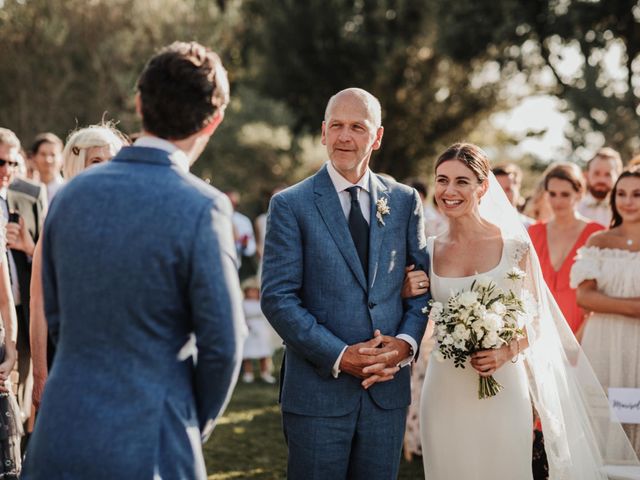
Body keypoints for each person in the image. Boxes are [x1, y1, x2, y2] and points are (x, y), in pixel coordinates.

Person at [22, 41, 245, 479]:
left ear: (139, 103)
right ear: (214, 121)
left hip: (60, 434)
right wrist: (186, 423)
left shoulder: (68, 197)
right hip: (151, 442)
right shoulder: (204, 207)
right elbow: (223, 346)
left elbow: (57, 314)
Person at [419, 142, 638, 479]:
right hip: (444, 388)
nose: (449, 190)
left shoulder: (514, 247)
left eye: (462, 181)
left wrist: (506, 351)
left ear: (483, 187)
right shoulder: (427, 251)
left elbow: (538, 320)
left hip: (504, 384)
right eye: (442, 180)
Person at [260, 87, 429, 480]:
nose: (345, 137)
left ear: (378, 136)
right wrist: (340, 355)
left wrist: (404, 345)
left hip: (385, 391)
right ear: (323, 132)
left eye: (357, 126)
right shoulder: (291, 204)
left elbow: (422, 289)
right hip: (318, 392)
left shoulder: (404, 201)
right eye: (336, 126)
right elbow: (278, 297)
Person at [29, 124, 127, 411]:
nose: (105, 168)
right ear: (77, 164)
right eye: (96, 161)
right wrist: (40, 373)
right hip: (71, 357)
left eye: (111, 160)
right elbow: (39, 302)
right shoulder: (59, 218)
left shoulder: (130, 217)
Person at [572, 166, 640, 457]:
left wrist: (608, 302)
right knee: (604, 419)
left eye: (637, 194)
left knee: (636, 413)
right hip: (603, 342)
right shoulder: (599, 241)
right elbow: (585, 297)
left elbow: (598, 298)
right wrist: (635, 307)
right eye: (621, 194)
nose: (628, 201)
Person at [0, 128, 47, 428]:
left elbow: (44, 253)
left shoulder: (25, 197)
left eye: (12, 163)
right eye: (0, 162)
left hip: (24, 306)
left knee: (23, 393)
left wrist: (27, 247)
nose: (7, 170)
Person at [528, 163, 604, 338]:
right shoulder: (534, 232)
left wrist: (578, 341)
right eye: (552, 194)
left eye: (565, 194)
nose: (557, 201)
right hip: (541, 333)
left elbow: (601, 293)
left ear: (579, 194)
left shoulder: (597, 234)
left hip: (584, 334)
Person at [240, 277, 276, 384]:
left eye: (254, 291)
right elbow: (241, 316)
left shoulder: (261, 303)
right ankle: (248, 373)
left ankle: (265, 372)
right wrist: (245, 324)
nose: (252, 293)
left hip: (261, 329)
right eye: (250, 291)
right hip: (248, 330)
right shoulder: (243, 304)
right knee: (247, 354)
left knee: (263, 353)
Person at [577, 147, 623, 227]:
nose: (601, 180)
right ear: (587, 175)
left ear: (618, 176)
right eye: (596, 173)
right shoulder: (575, 208)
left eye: (608, 174)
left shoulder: (627, 209)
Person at [492, 163, 535, 227]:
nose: (502, 195)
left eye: (507, 189)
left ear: (518, 186)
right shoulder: (481, 227)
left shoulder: (531, 227)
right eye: (498, 190)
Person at [30, 133, 64, 204]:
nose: (48, 160)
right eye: (43, 154)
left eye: (53, 154)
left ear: (62, 159)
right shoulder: (27, 191)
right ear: (33, 157)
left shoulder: (68, 190)